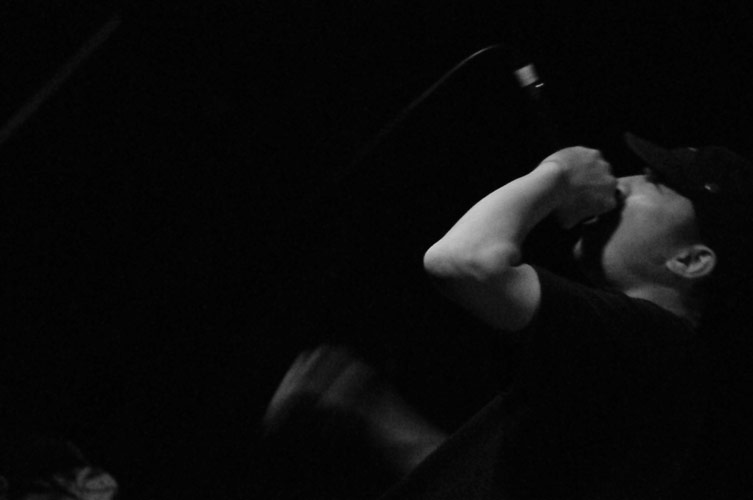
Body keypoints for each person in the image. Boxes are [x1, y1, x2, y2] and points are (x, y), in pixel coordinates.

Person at [264, 133, 753, 499]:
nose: (623, 184)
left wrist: (559, 174)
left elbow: (463, 260)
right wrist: (371, 410)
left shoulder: (657, 342)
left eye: (655, 181)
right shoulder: (636, 362)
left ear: (690, 261)